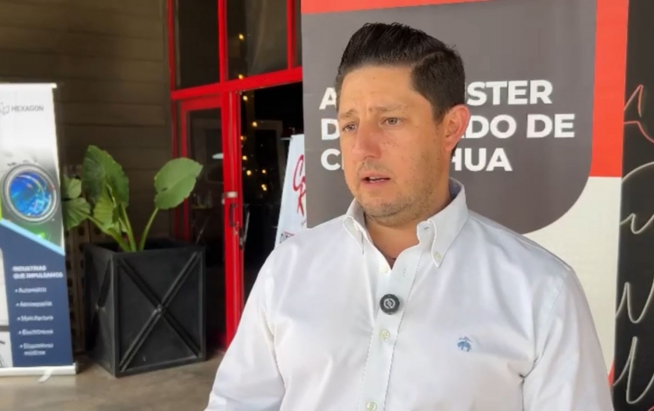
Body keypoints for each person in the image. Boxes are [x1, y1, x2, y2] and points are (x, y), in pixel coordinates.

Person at [205, 22, 613, 411]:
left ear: (451, 127)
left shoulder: (540, 290)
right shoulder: (288, 269)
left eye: (391, 120)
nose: (363, 147)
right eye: (349, 125)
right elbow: (238, 402)